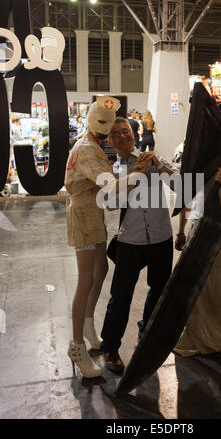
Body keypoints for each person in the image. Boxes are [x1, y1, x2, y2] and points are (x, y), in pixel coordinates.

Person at [100, 117, 175, 374]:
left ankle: (148, 332)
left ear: (133, 134)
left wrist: (161, 165)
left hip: (161, 237)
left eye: (126, 131)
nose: (124, 136)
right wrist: (134, 176)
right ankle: (110, 347)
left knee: (159, 290)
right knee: (120, 297)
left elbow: (185, 186)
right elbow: (109, 202)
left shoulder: (153, 159)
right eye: (117, 134)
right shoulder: (112, 169)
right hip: (130, 240)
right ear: (110, 141)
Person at [174, 128, 221, 363]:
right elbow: (185, 197)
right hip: (199, 226)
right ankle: (197, 338)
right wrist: (181, 230)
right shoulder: (198, 160)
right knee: (196, 288)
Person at [64, 96, 122, 378]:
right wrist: (136, 177)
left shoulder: (93, 144)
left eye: (109, 126)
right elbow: (107, 184)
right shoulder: (87, 149)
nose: (106, 130)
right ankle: (76, 346)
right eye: (102, 124)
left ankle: (87, 325)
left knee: (101, 270)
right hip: (84, 217)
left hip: (93, 213)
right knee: (86, 279)